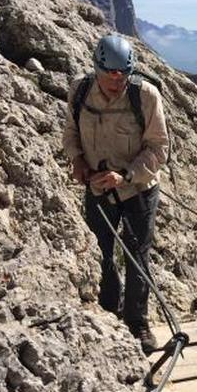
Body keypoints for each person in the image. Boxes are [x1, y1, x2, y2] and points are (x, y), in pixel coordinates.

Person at [62, 34, 169, 354]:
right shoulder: (80, 91)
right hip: (97, 189)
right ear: (96, 68)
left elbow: (159, 148)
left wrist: (124, 175)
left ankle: (138, 322)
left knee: (138, 254)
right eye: (110, 75)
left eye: (122, 75)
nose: (116, 81)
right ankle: (110, 311)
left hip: (138, 189)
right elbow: (71, 132)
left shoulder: (145, 96)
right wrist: (78, 160)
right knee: (102, 251)